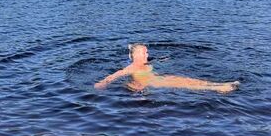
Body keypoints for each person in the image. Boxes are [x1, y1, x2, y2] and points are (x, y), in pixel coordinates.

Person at [94, 44, 240, 93]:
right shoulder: (130, 68)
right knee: (186, 85)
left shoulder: (146, 65)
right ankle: (219, 89)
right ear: (137, 54)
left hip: (162, 78)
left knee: (189, 80)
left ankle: (220, 84)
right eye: (145, 52)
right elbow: (113, 76)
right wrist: (102, 83)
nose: (147, 54)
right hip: (156, 83)